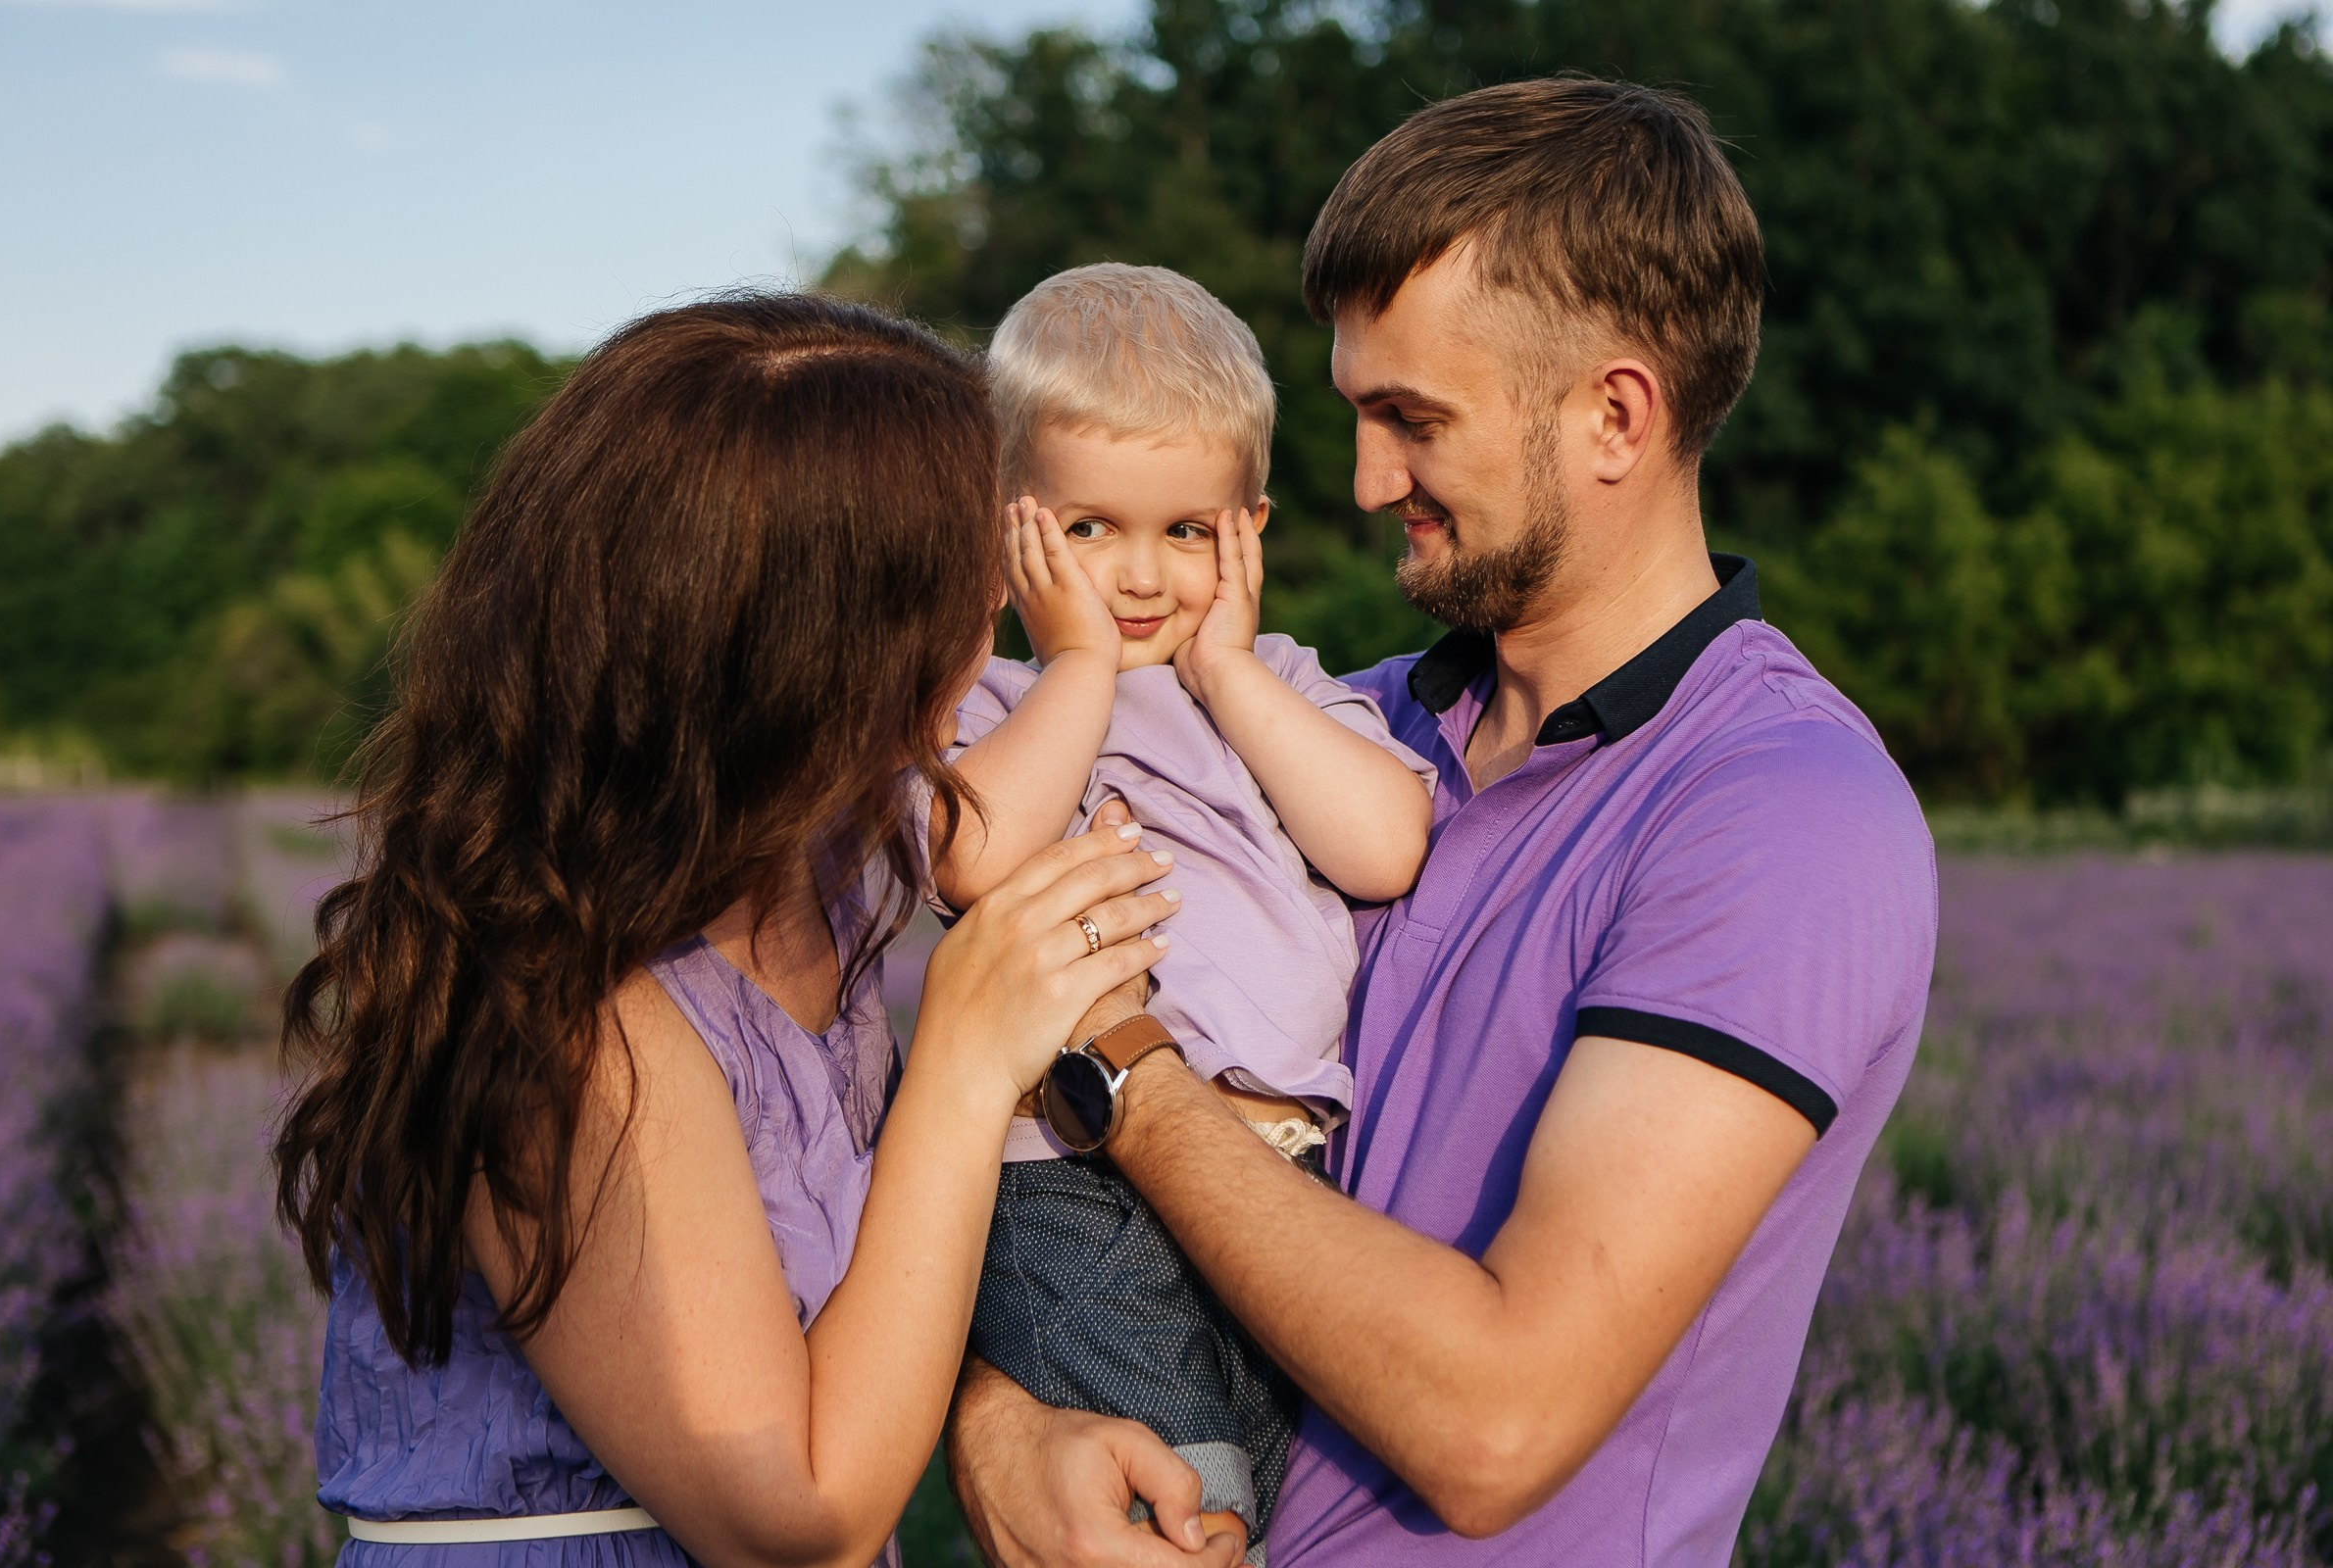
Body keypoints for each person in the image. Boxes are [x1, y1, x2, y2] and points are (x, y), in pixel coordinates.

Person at [946, 77, 1939, 1567]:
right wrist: (997, 1426)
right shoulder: (1349, 728)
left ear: (1616, 414)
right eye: (1355, 414)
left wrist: (1117, 1058)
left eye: (1413, 421)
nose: (1363, 483)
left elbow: (1494, 1428)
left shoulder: (1780, 811)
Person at [271, 294, 1187, 1568]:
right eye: (960, 576)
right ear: (812, 649)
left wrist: (1010, 1423)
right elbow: (794, 1525)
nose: (998, 607)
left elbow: (851, 1314)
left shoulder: (821, 861)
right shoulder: (560, 1011)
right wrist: (968, 1064)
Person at [920, 264, 1436, 1561]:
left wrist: (1224, 671)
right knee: (1180, 1505)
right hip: (1076, 1183)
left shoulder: (1277, 684)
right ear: (1005, 530)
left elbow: (1383, 844)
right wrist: (1083, 667)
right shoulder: (991, 701)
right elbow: (971, 862)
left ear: (1249, 528)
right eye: (1087, 530)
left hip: (1284, 1183)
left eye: (1188, 532)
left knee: (1272, 1492)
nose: (1140, 578)